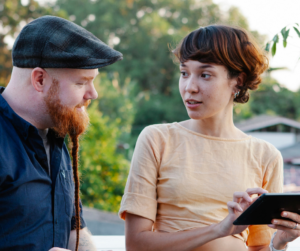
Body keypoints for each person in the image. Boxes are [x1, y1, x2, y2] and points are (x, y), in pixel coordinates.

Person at [119, 25, 300, 251]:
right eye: (184, 73)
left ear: (238, 81)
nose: (189, 87)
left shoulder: (266, 155)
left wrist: (279, 243)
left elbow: (260, 247)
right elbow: (136, 244)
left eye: (205, 75)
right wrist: (219, 228)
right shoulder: (157, 139)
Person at [0, 15, 122, 251]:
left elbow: (75, 229)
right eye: (81, 83)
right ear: (40, 79)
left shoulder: (55, 135)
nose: (93, 94)